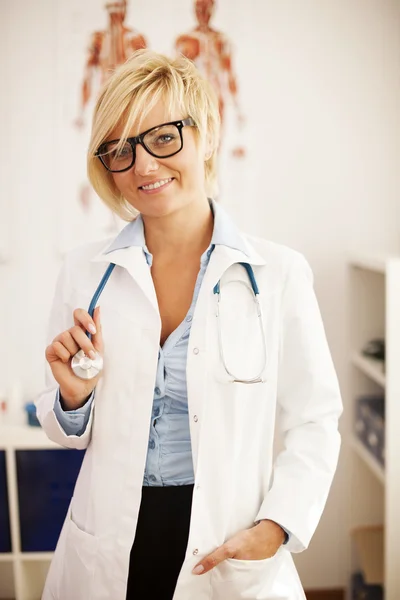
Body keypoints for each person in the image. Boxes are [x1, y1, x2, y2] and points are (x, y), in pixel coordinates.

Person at [36, 49, 342, 600]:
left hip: (225, 543)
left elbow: (315, 421)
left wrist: (275, 529)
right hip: (110, 542)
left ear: (205, 138)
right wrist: (73, 399)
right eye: (121, 150)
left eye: (163, 137)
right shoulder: (85, 272)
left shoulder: (278, 276)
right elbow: (63, 431)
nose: (144, 167)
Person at [175, 0, 245, 157]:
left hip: (216, 97)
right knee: (194, 139)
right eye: (199, 10)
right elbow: (177, 73)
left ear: (213, 10)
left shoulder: (221, 40)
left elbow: (229, 74)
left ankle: (211, 178)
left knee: (215, 141)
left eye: (206, 10)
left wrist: (237, 106)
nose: (203, 14)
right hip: (193, 98)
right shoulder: (185, 40)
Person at [74, 0, 147, 128]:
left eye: (121, 7)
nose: (118, 13)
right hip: (105, 100)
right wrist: (81, 113)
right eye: (115, 7)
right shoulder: (98, 38)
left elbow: (145, 75)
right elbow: (88, 76)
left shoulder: (135, 38)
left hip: (129, 100)